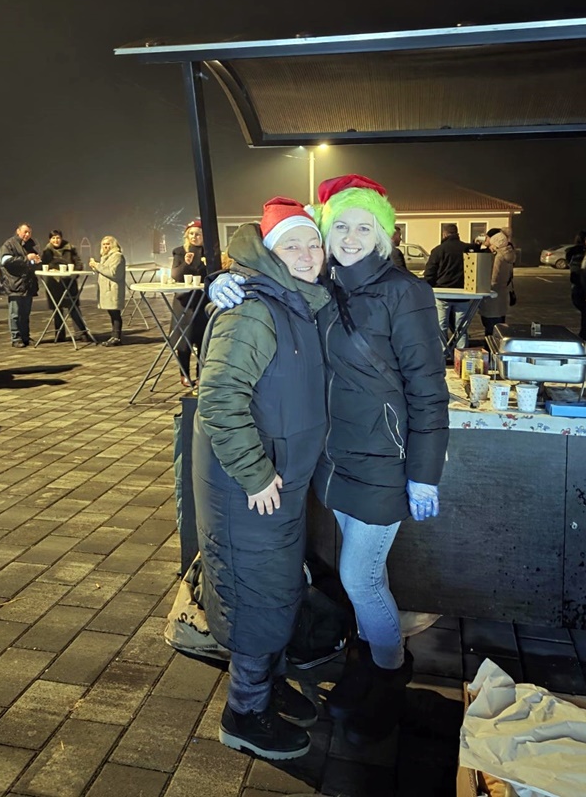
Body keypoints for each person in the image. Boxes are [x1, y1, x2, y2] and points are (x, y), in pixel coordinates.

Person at [211, 174, 449, 746]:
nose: (349, 238)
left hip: (382, 462)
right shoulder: (323, 286)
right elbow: (270, 294)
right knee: (359, 577)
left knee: (360, 578)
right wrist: (226, 282)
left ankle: (387, 678)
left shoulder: (406, 293)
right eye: (338, 226)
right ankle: (365, 664)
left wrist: (425, 472)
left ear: (384, 236)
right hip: (330, 465)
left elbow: (428, 388)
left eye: (364, 227)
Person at [193, 197, 329, 760]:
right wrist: (254, 474)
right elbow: (219, 399)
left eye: (313, 243)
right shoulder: (252, 309)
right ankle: (244, 713)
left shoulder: (296, 299)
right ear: (269, 253)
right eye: (292, 245)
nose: (308, 254)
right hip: (250, 485)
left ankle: (267, 685)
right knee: (254, 594)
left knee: (276, 587)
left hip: (279, 480)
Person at [424, 223, 475, 354]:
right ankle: (461, 354)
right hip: (463, 294)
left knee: (441, 326)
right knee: (461, 327)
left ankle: (442, 353)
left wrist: (430, 286)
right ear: (457, 233)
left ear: (444, 234)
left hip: (442, 294)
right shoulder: (467, 249)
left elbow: (429, 273)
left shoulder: (438, 250)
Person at [170, 219, 208, 387]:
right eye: (191, 234)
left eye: (198, 234)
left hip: (203, 300)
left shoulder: (210, 252)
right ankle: (184, 374)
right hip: (184, 302)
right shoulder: (179, 252)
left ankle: (201, 374)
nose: (194, 237)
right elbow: (175, 275)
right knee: (183, 340)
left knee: (202, 338)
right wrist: (186, 263)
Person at [40, 230, 94, 343]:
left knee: (73, 308)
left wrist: (74, 274)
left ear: (61, 238)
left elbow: (78, 263)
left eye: (58, 238)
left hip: (69, 282)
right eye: (53, 238)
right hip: (54, 283)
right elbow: (43, 265)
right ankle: (59, 334)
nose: (56, 240)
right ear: (50, 239)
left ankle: (81, 333)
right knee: (57, 309)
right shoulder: (46, 251)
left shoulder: (70, 248)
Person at [0, 223, 41, 347]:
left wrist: (36, 261)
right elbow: (6, 261)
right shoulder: (9, 245)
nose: (27, 235)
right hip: (14, 284)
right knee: (15, 313)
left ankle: (25, 337)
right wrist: (27, 258)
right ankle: (16, 338)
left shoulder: (30, 245)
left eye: (29, 232)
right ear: (18, 231)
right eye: (25, 232)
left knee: (25, 313)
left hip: (27, 284)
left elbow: (31, 262)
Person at [478, 227, 516, 337]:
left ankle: (490, 347)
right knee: (499, 328)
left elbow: (494, 278)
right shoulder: (508, 253)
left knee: (491, 330)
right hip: (502, 297)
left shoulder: (498, 256)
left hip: (492, 298)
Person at [89, 236, 126, 346]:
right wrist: (95, 267)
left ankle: (116, 337)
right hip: (106, 289)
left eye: (108, 244)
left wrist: (97, 265)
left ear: (113, 245)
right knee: (112, 313)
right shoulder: (105, 257)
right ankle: (114, 336)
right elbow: (104, 271)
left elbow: (113, 273)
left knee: (115, 313)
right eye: (104, 244)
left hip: (112, 289)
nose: (106, 246)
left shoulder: (117, 256)